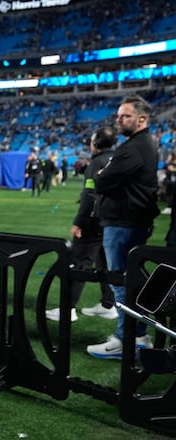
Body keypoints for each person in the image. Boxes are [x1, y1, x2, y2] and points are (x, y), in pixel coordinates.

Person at [86, 94, 159, 360]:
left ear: (142, 119)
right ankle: (136, 335)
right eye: (118, 115)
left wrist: (102, 174)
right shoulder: (142, 144)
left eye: (125, 115)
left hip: (124, 224)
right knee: (129, 281)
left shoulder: (133, 148)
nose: (119, 120)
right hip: (130, 222)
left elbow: (103, 181)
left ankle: (127, 339)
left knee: (122, 282)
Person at [45, 127, 117, 323]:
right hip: (110, 220)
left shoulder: (96, 163)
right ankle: (109, 304)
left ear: (95, 143)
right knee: (105, 263)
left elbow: (89, 196)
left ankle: (68, 308)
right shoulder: (118, 159)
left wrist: (79, 222)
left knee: (80, 262)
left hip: (93, 221)